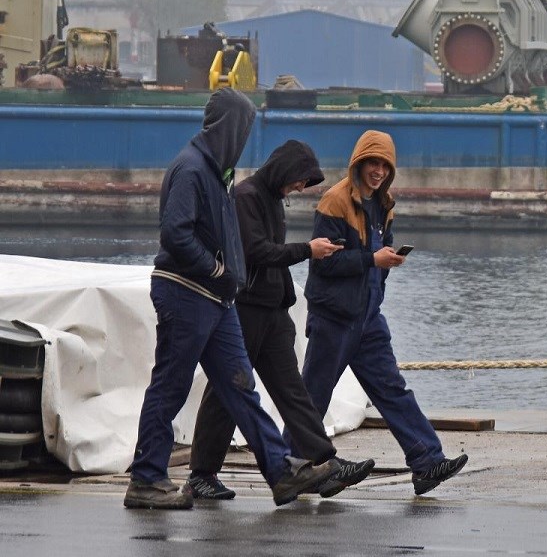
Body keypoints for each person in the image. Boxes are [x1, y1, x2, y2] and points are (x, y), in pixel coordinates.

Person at [125, 89, 337, 510]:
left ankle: (280, 472)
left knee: (242, 389)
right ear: (229, 128)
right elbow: (175, 233)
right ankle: (146, 479)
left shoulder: (218, 173)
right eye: (243, 129)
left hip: (217, 301)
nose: (245, 139)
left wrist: (226, 280)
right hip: (187, 293)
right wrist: (218, 270)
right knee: (170, 386)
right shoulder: (191, 169)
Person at [185, 139, 376, 501]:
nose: (301, 189)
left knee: (293, 392)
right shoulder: (246, 197)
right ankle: (202, 473)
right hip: (245, 311)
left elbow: (268, 253)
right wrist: (308, 250)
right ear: (284, 171)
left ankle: (324, 462)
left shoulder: (270, 198)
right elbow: (256, 251)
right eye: (300, 181)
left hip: (272, 313)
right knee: (226, 392)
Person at [302, 129, 467, 496]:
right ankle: (299, 468)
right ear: (358, 163)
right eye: (372, 163)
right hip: (333, 317)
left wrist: (385, 263)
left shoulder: (385, 204)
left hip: (368, 317)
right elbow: (324, 263)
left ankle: (426, 461)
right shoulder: (334, 202)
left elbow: (377, 256)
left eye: (384, 165)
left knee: (393, 389)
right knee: (313, 396)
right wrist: (371, 260)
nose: (377, 171)